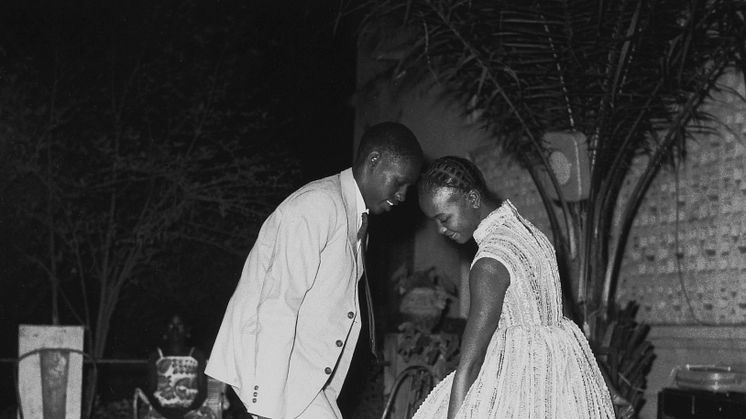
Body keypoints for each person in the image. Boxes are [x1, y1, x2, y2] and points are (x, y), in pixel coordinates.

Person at [206, 122, 423, 419]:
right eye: (399, 182)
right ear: (374, 161)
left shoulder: (352, 215)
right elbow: (279, 304)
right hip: (276, 377)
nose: (402, 196)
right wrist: (268, 406)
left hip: (306, 380)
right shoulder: (318, 206)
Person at [413, 156, 615, 418]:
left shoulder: (490, 260)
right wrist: (606, 385)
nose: (441, 230)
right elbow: (568, 318)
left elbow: (471, 362)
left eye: (444, 218)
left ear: (473, 199)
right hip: (561, 383)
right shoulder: (533, 236)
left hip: (517, 383)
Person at [143, 315, 214, 419]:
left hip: (192, 410)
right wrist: (163, 412)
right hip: (161, 411)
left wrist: (187, 411)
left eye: (179, 325)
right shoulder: (156, 356)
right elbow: (151, 390)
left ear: (187, 330)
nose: (175, 329)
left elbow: (202, 391)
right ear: (165, 331)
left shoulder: (196, 355)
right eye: (171, 325)